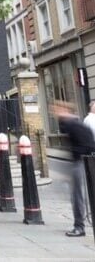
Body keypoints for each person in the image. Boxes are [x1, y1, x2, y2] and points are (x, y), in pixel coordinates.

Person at [53, 102, 95, 237]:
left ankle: (79, 227)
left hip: (80, 163)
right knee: (78, 196)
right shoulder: (73, 123)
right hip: (81, 162)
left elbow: (87, 143)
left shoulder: (73, 124)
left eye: (57, 110)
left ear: (65, 110)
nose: (55, 112)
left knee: (77, 196)